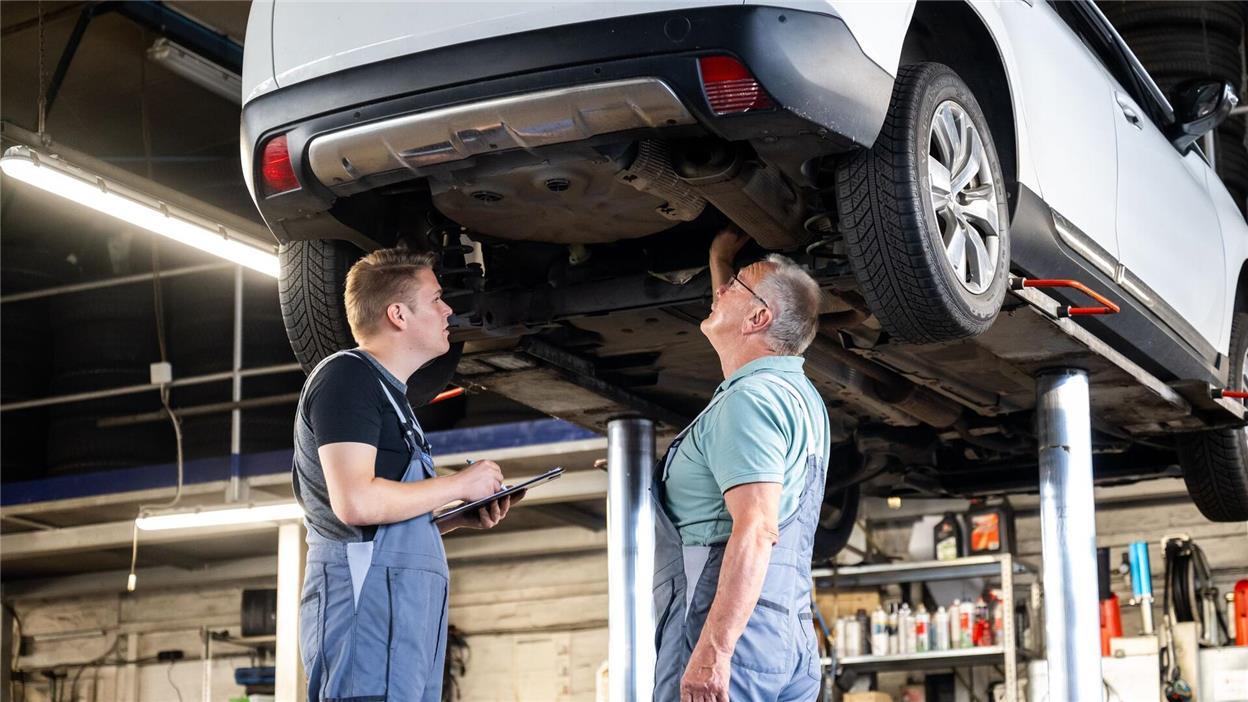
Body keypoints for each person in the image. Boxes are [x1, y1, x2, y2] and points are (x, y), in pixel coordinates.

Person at [292, 248, 517, 702]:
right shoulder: (345, 378)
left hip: (400, 621)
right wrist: (459, 483)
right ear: (398, 314)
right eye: (436, 299)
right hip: (367, 615)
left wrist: (452, 516)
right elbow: (354, 503)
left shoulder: (392, 397)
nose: (449, 309)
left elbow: (380, 521)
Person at [652, 228, 831, 702]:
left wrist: (715, 652)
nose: (721, 291)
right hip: (785, 631)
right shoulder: (794, 394)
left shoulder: (749, 402)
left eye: (735, 286)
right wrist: (720, 258)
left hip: (731, 633)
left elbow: (755, 529)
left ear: (758, 317)